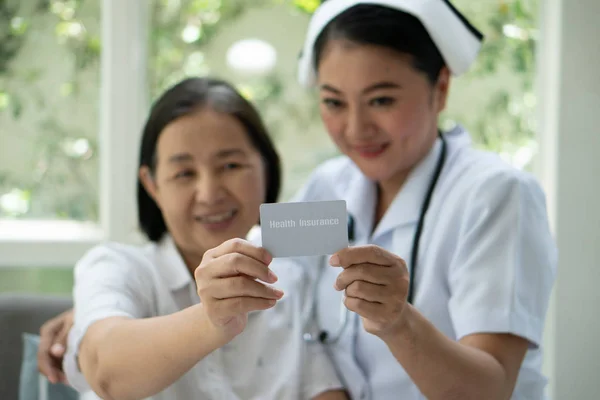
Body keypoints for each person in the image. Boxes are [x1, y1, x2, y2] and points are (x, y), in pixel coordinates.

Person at [273, 0, 555, 399]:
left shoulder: (496, 195)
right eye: (334, 102)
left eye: (382, 100)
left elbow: (490, 388)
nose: (356, 129)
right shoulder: (327, 187)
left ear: (440, 89)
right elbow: (276, 303)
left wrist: (397, 322)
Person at [55, 76, 347, 400]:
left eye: (231, 165)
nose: (209, 194)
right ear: (152, 185)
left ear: (267, 168)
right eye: (184, 173)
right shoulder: (117, 267)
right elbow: (105, 370)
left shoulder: (292, 278)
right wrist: (212, 319)